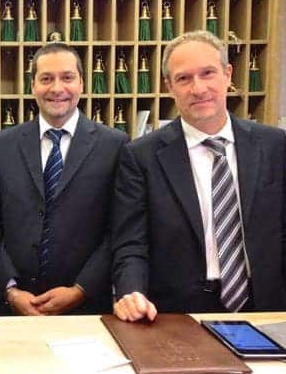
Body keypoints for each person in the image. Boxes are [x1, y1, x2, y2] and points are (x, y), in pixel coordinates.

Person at [111, 30, 286, 322]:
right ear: (169, 86)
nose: (198, 88)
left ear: (228, 75)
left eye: (208, 73)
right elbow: (131, 242)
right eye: (183, 78)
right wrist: (131, 292)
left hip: (268, 308)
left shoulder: (276, 146)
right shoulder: (140, 156)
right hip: (177, 314)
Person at [0, 43, 128, 316]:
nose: (57, 88)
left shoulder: (114, 145)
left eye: (67, 77)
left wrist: (80, 290)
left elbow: (119, 230)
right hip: (14, 308)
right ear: (32, 85)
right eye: (46, 78)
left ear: (81, 82)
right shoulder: (3, 145)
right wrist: (11, 290)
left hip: (87, 308)